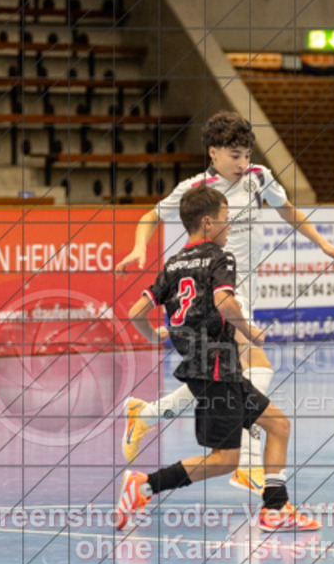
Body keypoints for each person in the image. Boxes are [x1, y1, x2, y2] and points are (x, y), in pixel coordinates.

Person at [115, 111, 334, 495]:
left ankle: (148, 413)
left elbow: (286, 208)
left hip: (243, 290)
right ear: (213, 152)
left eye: (246, 154)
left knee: (222, 378)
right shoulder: (197, 188)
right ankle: (251, 463)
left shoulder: (258, 178)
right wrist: (140, 248)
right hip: (219, 294)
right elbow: (149, 216)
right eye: (234, 155)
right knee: (255, 368)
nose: (242, 163)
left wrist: (322, 243)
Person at [115, 185, 320, 532]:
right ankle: (145, 485)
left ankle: (275, 509)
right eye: (227, 219)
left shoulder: (173, 263)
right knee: (225, 461)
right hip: (216, 370)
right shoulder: (220, 258)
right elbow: (226, 302)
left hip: (211, 368)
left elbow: (137, 311)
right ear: (208, 222)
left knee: (278, 425)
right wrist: (249, 331)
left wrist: (155, 336)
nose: (230, 225)